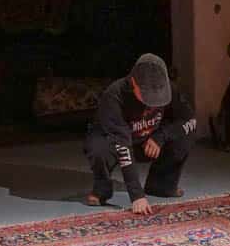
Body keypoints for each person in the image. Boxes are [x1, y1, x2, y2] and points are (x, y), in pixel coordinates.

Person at [84, 54, 197, 216]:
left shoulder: (169, 88)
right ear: (133, 82)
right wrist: (136, 195)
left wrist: (160, 136)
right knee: (98, 148)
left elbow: (189, 119)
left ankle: (161, 185)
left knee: (185, 133)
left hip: (148, 141)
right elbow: (122, 144)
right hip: (116, 142)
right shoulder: (114, 95)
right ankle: (102, 188)